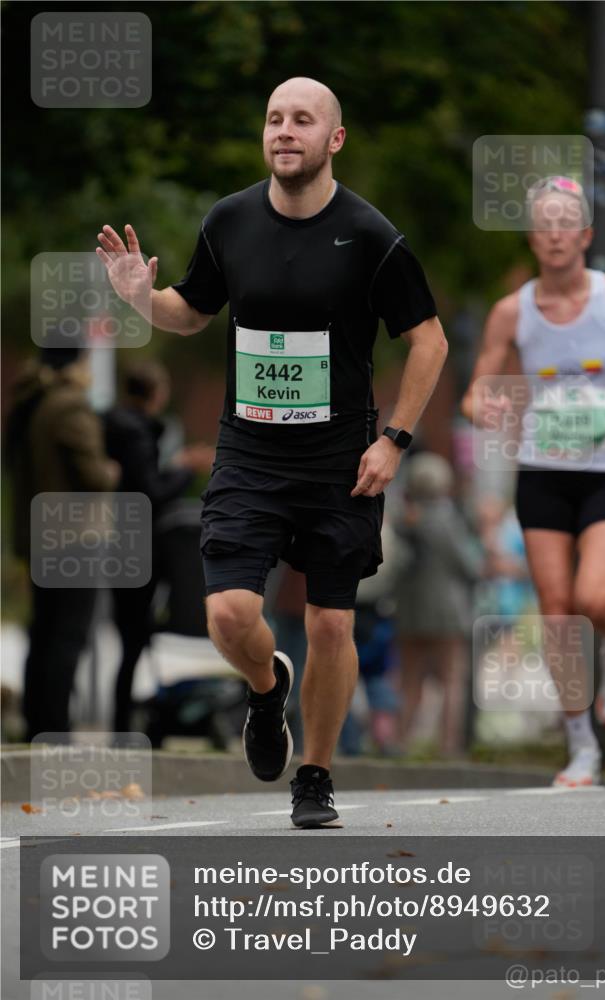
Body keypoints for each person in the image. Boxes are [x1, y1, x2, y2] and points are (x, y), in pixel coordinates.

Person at [96, 77, 447, 827]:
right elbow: (189, 312)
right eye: (274, 120)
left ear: (334, 140)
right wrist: (139, 300)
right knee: (226, 612)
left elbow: (429, 341)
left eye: (302, 121)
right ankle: (265, 688)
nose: (284, 131)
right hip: (249, 454)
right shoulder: (228, 221)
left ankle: (314, 775)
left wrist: (395, 441)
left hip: (340, 461)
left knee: (329, 623)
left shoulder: (372, 236)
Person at [462, 175, 605, 787]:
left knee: (597, 600)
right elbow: (477, 389)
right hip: (543, 471)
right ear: (532, 238)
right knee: (556, 613)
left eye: (564, 223)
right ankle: (582, 748)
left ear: (584, 234)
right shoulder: (512, 311)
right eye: (543, 224)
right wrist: (484, 407)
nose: (554, 234)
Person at [4, 345, 120, 740]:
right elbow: (92, 476)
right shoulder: (69, 406)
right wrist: (110, 470)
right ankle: (55, 728)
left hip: (43, 537)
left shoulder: (34, 402)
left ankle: (38, 724)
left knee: (44, 632)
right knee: (68, 635)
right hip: (76, 539)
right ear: (74, 364)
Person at [103, 360, 213, 734]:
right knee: (134, 638)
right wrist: (184, 469)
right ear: (157, 393)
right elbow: (151, 493)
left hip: (121, 543)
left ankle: (130, 720)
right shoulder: (135, 433)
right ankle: (124, 724)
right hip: (136, 549)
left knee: (132, 640)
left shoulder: (120, 427)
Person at [393, 452, 483, 756]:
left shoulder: (404, 517)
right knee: (452, 680)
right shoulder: (446, 518)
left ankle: (400, 742)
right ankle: (449, 747)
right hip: (447, 611)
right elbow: (468, 565)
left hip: (409, 608)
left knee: (409, 680)